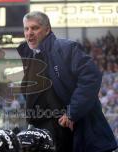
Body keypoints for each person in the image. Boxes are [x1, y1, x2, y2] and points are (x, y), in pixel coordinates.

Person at [16, 11, 118, 152]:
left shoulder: (67, 48)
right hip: (50, 133)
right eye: (26, 29)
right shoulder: (30, 56)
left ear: (47, 29)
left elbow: (91, 77)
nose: (29, 33)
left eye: (35, 28)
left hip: (77, 132)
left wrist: (72, 113)